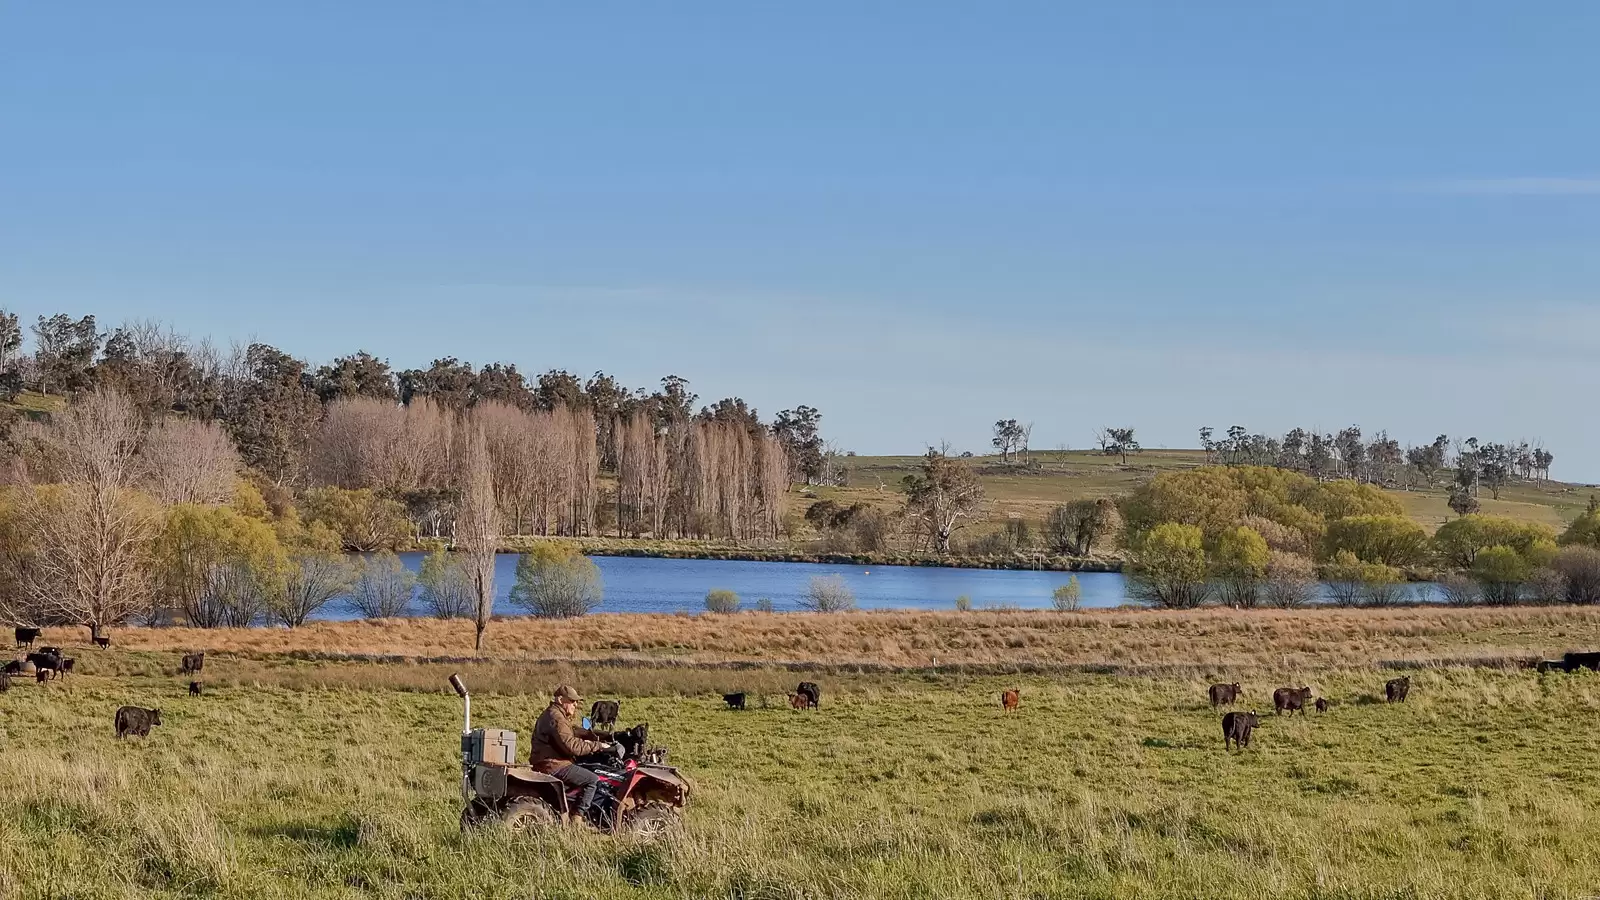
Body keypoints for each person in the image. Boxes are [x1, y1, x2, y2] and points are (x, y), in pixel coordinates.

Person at [529, 684, 613, 820]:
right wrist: (597, 746)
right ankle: (577, 817)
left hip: (548, 761)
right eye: (572, 701)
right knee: (592, 780)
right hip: (554, 765)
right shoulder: (557, 718)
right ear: (561, 700)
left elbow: (569, 734)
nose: (576, 704)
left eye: (576, 701)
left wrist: (594, 735)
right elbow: (572, 746)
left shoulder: (553, 714)